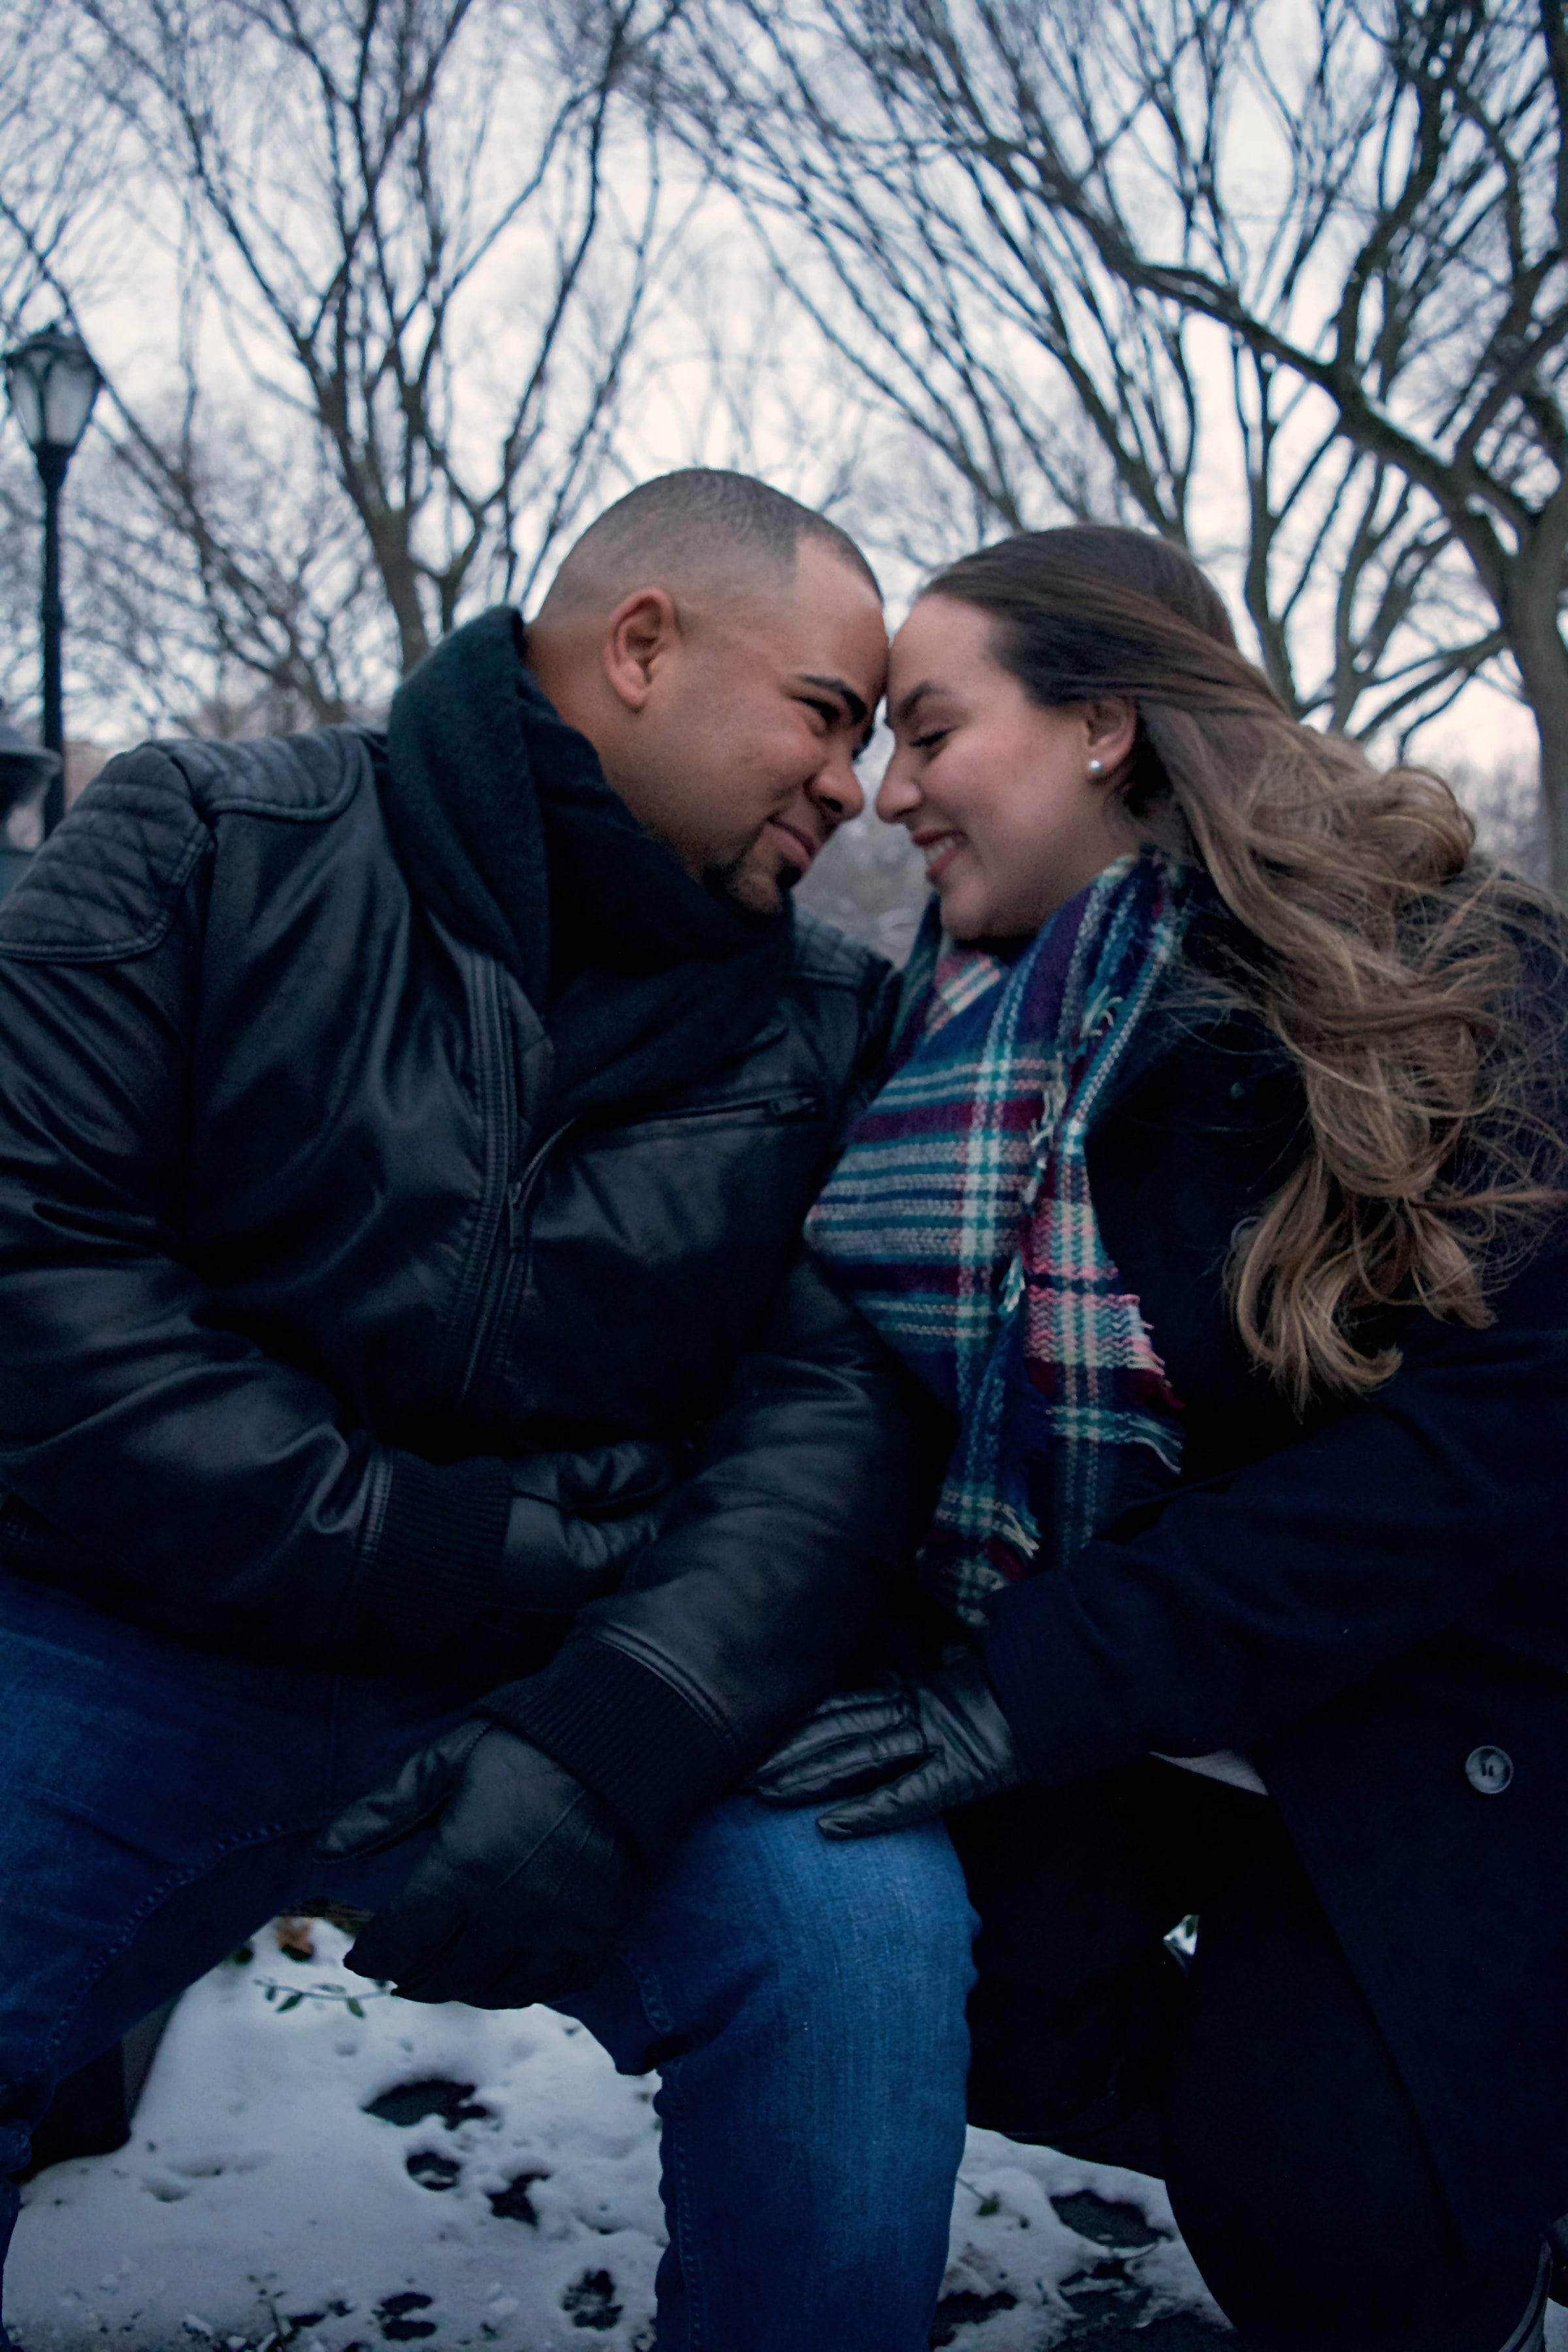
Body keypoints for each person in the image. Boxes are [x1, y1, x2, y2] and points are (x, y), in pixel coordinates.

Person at [0, 470, 974, 2352]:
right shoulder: (204, 842)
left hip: (574, 1680)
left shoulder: (836, 1030)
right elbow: (38, 1281)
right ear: (639, 646)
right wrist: (439, 1544)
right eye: (831, 716)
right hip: (126, 1636)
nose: (856, 788)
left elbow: (834, 1431)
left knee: (858, 1947)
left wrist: (619, 1736)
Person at [755, 525, 1568, 2352]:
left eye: (931, 732)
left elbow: (1483, 1452)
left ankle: (1444, 2163)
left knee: (1343, 2227)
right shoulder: (955, 1035)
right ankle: (1351, 2102)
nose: (886, 796)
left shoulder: (1448, 972)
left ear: (1106, 721)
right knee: (889, 1970)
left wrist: (1028, 1686)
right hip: (1125, 1707)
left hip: (1424, 1707)